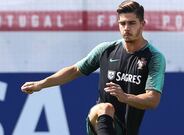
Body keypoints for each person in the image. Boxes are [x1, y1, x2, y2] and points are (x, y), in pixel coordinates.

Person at [21, 0, 166, 135]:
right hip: (100, 119)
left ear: (142, 24)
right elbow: (74, 70)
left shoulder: (153, 57)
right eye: (122, 23)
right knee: (105, 107)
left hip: (126, 129)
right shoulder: (106, 50)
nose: (126, 28)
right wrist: (41, 84)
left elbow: (153, 100)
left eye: (132, 23)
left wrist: (125, 97)